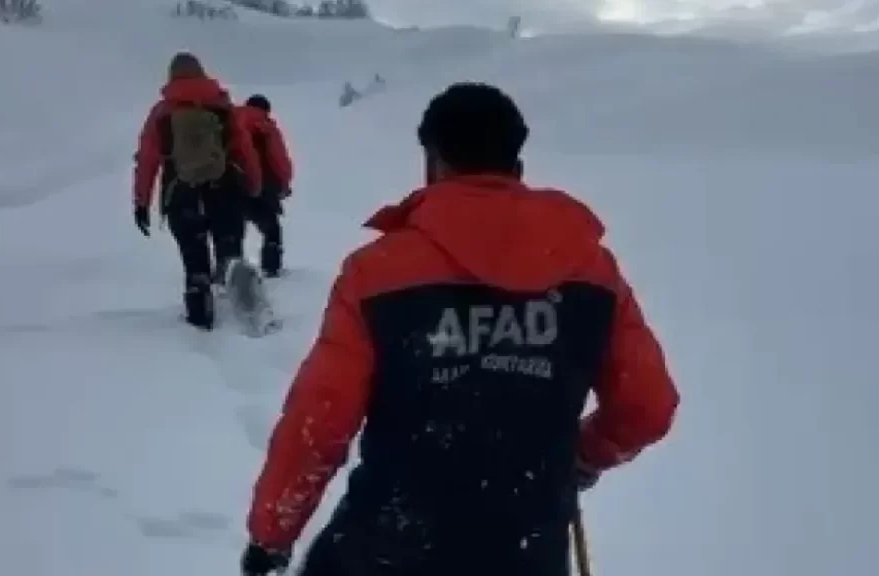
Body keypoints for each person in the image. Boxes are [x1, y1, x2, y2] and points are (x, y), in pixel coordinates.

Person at [239, 82, 680, 576]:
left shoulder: (377, 271)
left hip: (390, 544)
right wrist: (584, 455)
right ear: (516, 164)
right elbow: (648, 406)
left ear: (433, 162)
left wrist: (272, 535)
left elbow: (319, 421)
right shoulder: (592, 270)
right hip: (526, 549)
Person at [132, 52, 262, 330]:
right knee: (231, 252)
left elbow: (147, 159)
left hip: (180, 192)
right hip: (224, 186)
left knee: (194, 258)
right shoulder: (221, 104)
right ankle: (248, 310)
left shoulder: (162, 112)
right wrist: (253, 181)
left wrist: (141, 201)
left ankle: (200, 316)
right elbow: (243, 146)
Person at [238, 94, 294, 277]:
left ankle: (229, 269)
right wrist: (284, 185)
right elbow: (278, 158)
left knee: (231, 231)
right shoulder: (265, 126)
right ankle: (271, 267)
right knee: (271, 229)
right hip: (263, 186)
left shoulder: (229, 122)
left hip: (232, 185)